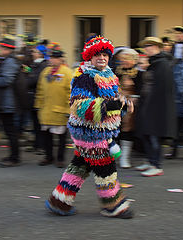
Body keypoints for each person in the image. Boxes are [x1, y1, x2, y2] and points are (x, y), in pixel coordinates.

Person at [45, 36, 134, 218]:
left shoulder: (109, 75)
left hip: (99, 131)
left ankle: (60, 201)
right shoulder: (84, 77)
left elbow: (114, 101)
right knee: (105, 168)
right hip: (89, 133)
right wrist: (114, 105)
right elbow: (80, 106)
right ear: (89, 57)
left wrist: (124, 105)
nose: (101, 58)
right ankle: (113, 205)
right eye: (97, 55)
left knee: (80, 166)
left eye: (105, 54)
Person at [135, 37, 177, 177]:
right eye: (146, 46)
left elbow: (162, 89)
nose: (147, 48)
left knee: (154, 136)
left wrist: (153, 107)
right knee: (146, 134)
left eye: (150, 45)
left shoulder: (161, 63)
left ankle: (157, 165)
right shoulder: (154, 62)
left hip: (156, 106)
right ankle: (150, 161)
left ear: (158, 47)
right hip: (148, 104)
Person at [35, 43, 72, 168]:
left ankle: (60, 158)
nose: (52, 60)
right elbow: (40, 89)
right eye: (51, 58)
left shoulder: (67, 72)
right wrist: (38, 105)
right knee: (46, 136)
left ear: (61, 59)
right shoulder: (45, 72)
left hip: (60, 110)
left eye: (55, 58)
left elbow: (72, 92)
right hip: (46, 110)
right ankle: (48, 156)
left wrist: (70, 109)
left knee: (61, 137)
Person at [0, 36, 20, 167]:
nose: (0, 49)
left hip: (8, 103)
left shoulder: (10, 62)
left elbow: (6, 81)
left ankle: (14, 158)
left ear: (8, 50)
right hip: (4, 102)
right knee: (9, 130)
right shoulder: (6, 60)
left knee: (10, 131)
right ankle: (13, 156)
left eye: (2, 47)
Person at [114, 48, 139, 168]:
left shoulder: (138, 73)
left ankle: (125, 158)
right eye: (122, 58)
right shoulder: (116, 72)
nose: (124, 60)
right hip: (116, 104)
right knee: (114, 129)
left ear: (134, 60)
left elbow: (140, 89)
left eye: (127, 58)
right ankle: (114, 154)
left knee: (127, 131)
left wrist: (134, 97)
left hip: (130, 107)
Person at [25, 44, 48, 154]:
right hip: (32, 98)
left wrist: (28, 78)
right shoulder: (36, 64)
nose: (32, 53)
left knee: (39, 124)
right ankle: (36, 145)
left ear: (39, 53)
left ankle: (42, 146)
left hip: (38, 98)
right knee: (35, 123)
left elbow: (35, 80)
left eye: (34, 51)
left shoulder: (43, 65)